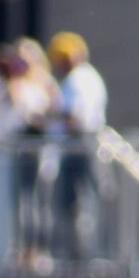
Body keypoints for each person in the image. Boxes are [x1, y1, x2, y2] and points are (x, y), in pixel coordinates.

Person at [47, 32, 108, 257]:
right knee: (78, 202)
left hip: (80, 144)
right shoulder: (84, 77)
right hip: (81, 143)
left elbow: (76, 116)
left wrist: (50, 116)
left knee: (79, 201)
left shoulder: (79, 79)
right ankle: (80, 252)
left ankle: (82, 254)